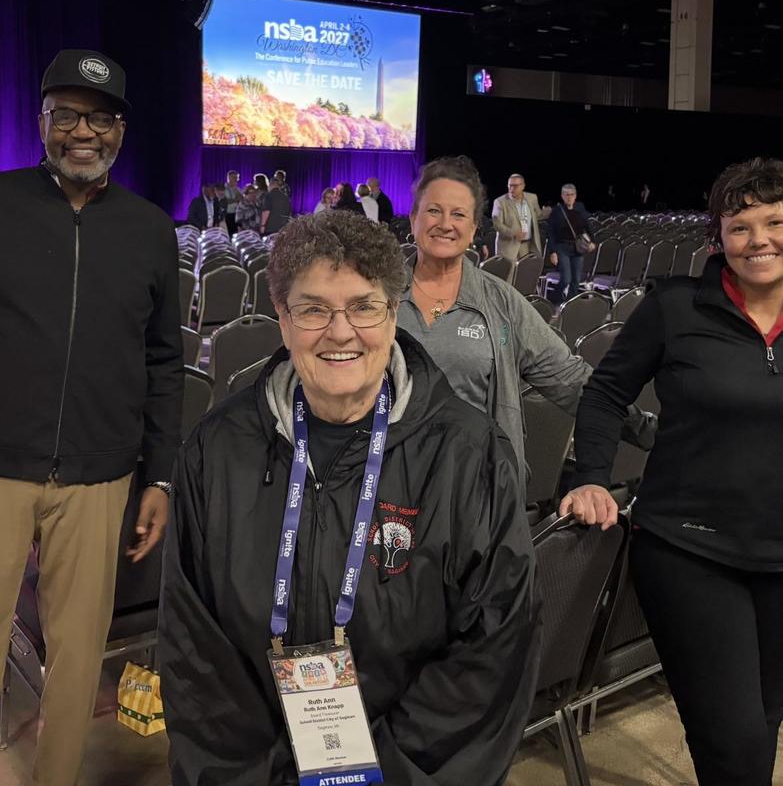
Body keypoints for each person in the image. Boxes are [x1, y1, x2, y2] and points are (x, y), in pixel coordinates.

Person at [159, 209, 540, 786]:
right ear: (282, 321)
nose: (341, 332)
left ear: (393, 316)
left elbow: (493, 648)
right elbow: (194, 653)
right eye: (314, 309)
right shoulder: (216, 451)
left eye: (364, 306)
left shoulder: (470, 455)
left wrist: (382, 773)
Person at [560, 156, 783, 786]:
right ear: (719, 238)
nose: (758, 239)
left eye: (774, 222)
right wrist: (590, 476)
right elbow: (604, 394)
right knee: (734, 739)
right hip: (690, 549)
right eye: (740, 227)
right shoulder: (676, 306)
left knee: (764, 721)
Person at [0, 48, 182, 786]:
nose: (85, 131)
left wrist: (159, 478)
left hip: (102, 476)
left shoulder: (148, 229)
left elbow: (166, 361)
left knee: (76, 657)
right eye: (68, 114)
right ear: (40, 120)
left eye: (101, 117)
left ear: (120, 130)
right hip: (1, 464)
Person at [395, 156, 651, 470]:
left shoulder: (502, 302)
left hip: (475, 487)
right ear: (413, 219)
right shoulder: (378, 298)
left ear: (474, 227)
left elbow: (568, 379)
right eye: (433, 210)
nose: (446, 223)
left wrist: (647, 429)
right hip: (387, 486)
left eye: (459, 214)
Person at [548, 183, 596, 304]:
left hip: (577, 247)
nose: (569, 197)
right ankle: (554, 301)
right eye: (566, 194)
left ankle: (570, 305)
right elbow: (551, 233)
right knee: (566, 279)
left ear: (575, 196)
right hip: (562, 247)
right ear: (562, 196)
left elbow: (587, 226)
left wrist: (592, 241)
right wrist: (552, 252)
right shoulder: (557, 211)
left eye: (571, 195)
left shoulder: (580, 208)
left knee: (576, 280)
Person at [492, 173, 544, 276]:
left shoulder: (532, 198)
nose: (511, 189)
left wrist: (547, 212)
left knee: (524, 276)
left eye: (515, 186)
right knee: (508, 277)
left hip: (527, 245)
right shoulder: (500, 202)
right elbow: (497, 224)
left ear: (523, 186)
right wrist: (513, 233)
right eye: (509, 185)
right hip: (508, 246)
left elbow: (537, 215)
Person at [223, 170, 242, 235]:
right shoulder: (224, 189)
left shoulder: (238, 189)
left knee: (236, 234)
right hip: (227, 215)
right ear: (229, 178)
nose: (236, 180)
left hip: (236, 214)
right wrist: (235, 200)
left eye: (236, 178)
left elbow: (241, 200)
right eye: (234, 177)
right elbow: (224, 201)